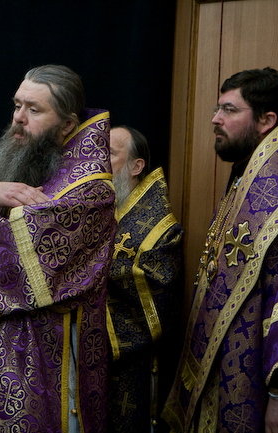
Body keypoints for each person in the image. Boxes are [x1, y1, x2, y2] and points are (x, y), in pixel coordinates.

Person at [0, 64, 117, 433]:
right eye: (17, 105)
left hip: (37, 364)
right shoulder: (16, 164)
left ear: (67, 125)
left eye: (34, 110)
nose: (18, 119)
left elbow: (19, 254)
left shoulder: (89, 190)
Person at [163, 67, 278, 432]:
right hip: (221, 364)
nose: (215, 119)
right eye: (217, 108)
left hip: (258, 379)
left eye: (229, 109)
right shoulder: (248, 174)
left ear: (267, 120)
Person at [106, 126, 184, 433]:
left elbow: (155, 302)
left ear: (136, 166)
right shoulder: (100, 211)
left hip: (131, 365)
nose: (99, 161)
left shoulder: (161, 231)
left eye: (110, 154)